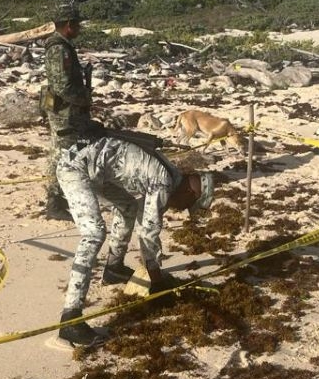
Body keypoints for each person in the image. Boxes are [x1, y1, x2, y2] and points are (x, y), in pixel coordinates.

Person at [53, 135, 214, 347]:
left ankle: (113, 269)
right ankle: (70, 320)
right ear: (190, 192)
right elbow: (148, 231)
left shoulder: (171, 175)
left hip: (94, 167)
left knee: (128, 206)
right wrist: (157, 283)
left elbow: (143, 216)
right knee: (94, 233)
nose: (182, 209)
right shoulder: (163, 182)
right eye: (187, 205)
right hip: (75, 167)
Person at [41, 1, 97, 222]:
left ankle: (62, 197)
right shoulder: (59, 48)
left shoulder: (63, 46)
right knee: (63, 155)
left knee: (70, 153)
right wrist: (84, 99)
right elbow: (62, 86)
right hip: (65, 113)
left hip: (67, 111)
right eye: (77, 24)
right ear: (68, 25)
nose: (79, 29)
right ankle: (55, 202)